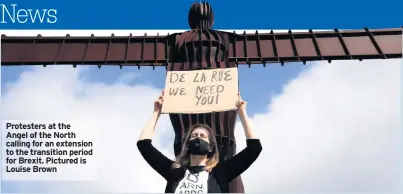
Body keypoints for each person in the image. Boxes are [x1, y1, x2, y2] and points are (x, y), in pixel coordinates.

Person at [137, 91, 262, 193]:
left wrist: (242, 113)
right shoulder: (174, 171)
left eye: (203, 136)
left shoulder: (221, 172)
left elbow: (254, 148)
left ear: (211, 146)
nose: (198, 138)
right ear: (187, 145)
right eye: (194, 136)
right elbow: (144, 145)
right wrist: (156, 112)